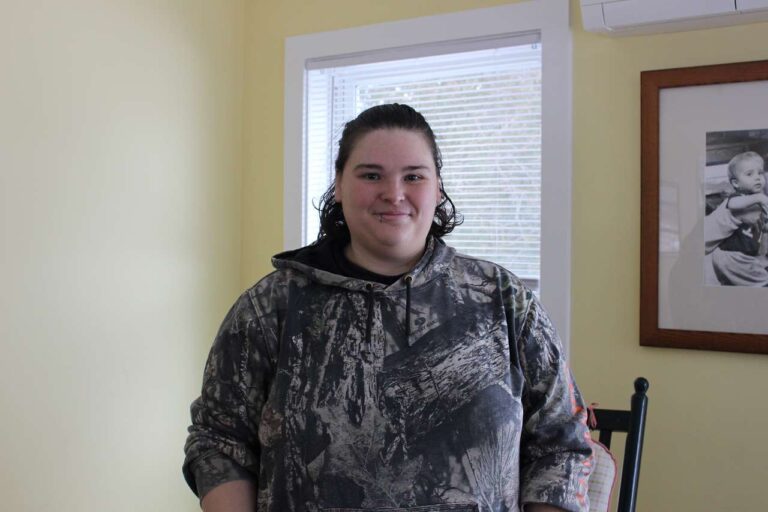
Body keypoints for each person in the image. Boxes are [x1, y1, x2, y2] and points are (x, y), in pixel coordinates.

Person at [183, 104, 593, 512]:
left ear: (438, 188)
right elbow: (219, 444)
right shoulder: (270, 308)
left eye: (413, 176)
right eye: (371, 175)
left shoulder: (503, 301)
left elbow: (561, 444)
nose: (393, 193)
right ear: (339, 184)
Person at [704, 151, 768, 286]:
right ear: (736, 183)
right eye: (749, 174)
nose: (757, 178)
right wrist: (760, 198)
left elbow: (760, 231)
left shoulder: (755, 203)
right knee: (761, 283)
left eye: (760, 173)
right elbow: (732, 204)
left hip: (733, 255)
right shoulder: (738, 197)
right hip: (731, 255)